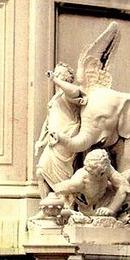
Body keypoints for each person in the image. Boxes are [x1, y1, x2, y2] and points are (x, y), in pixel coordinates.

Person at [34, 64, 85, 197]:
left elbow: (75, 91)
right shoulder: (55, 97)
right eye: (55, 73)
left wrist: (54, 80)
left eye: (60, 74)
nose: (56, 75)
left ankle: (65, 206)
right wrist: (40, 140)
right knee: (40, 172)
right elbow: (48, 121)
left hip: (65, 137)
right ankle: (46, 207)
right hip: (52, 141)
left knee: (62, 178)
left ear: (67, 78)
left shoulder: (68, 94)